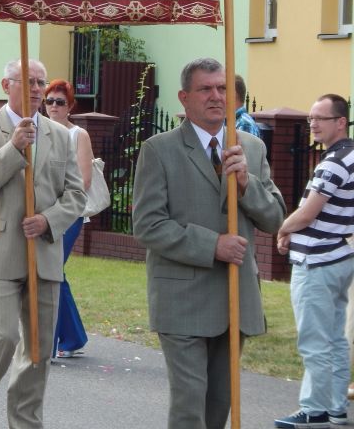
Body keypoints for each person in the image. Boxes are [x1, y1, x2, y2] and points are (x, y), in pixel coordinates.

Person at [132, 57, 285, 429]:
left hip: (235, 296)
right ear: (184, 98)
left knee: (218, 405)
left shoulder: (251, 148)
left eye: (222, 88)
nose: (216, 96)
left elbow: (275, 218)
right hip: (182, 299)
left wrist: (247, 185)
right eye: (205, 89)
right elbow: (148, 225)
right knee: (190, 406)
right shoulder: (159, 149)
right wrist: (212, 245)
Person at [0, 59, 86, 429]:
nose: (37, 89)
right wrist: (13, 148)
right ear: (7, 85)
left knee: (38, 350)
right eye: (29, 82)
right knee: (2, 335)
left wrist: (49, 220)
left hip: (44, 255)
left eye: (41, 82)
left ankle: (24, 421)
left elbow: (76, 194)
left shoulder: (59, 135)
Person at [274, 94, 354, 429]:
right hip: (340, 256)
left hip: (317, 261)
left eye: (320, 118)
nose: (313, 124)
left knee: (314, 340)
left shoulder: (333, 162)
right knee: (334, 337)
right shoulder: (350, 156)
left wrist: (283, 228)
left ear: (341, 122)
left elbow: (307, 213)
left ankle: (314, 409)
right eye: (310, 118)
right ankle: (335, 407)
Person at [44, 79, 91, 359]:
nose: (54, 106)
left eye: (60, 102)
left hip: (70, 214)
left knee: (53, 271)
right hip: (43, 214)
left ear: (70, 106)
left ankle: (54, 341)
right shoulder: (39, 131)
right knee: (53, 273)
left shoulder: (78, 135)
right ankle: (72, 336)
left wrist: (57, 205)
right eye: (49, 101)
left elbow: (83, 180)